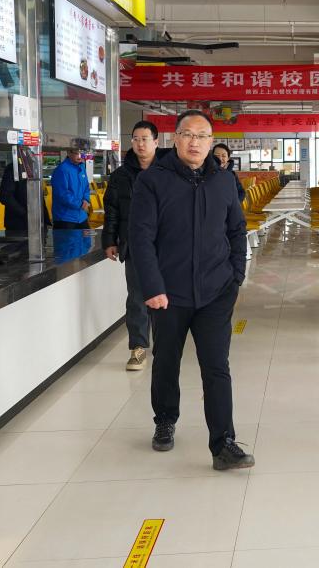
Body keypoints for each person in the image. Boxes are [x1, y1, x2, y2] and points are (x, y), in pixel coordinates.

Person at [129, 110, 254, 470]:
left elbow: (236, 230)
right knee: (167, 361)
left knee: (217, 366)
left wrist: (236, 276)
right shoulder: (153, 180)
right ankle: (165, 420)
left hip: (216, 291)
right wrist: (153, 287)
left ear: (211, 142)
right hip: (168, 294)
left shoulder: (224, 181)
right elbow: (141, 238)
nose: (195, 142)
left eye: (202, 136)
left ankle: (223, 443)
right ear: (175, 138)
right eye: (188, 135)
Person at [103, 121, 167, 371]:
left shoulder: (169, 171)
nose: (140, 144)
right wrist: (109, 240)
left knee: (167, 296)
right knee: (137, 297)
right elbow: (112, 210)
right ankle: (138, 347)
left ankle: (165, 344)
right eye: (136, 139)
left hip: (167, 243)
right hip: (134, 244)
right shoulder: (121, 175)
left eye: (145, 139)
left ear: (156, 142)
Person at [0, 160, 50, 233]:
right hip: (20, 224)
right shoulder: (13, 168)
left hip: (37, 221)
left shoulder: (34, 166)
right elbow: (5, 196)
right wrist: (25, 214)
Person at [50, 147, 91, 229]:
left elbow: (86, 187)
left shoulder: (82, 167)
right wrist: (80, 204)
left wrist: (86, 200)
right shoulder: (62, 170)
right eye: (77, 153)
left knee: (86, 237)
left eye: (82, 153)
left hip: (82, 216)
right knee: (68, 238)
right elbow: (62, 194)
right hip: (65, 218)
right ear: (69, 153)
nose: (80, 156)